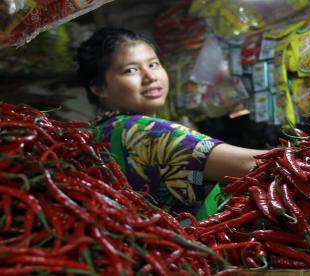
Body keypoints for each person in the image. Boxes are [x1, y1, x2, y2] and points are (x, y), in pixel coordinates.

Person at [75, 27, 266, 214]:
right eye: (131, 70)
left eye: (153, 64)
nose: (150, 77)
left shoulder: (99, 133)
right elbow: (253, 164)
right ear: (98, 88)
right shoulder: (141, 130)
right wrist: (295, 150)